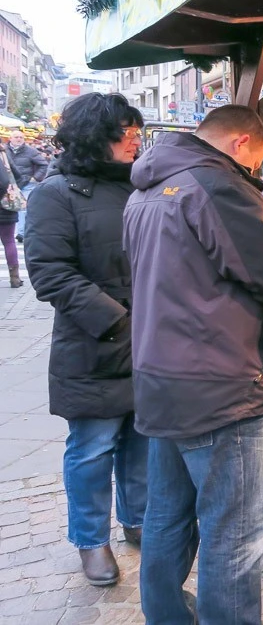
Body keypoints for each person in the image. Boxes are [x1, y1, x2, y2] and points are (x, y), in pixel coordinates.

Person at [123, 105, 263, 624]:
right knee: (235, 536)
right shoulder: (215, 188)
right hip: (223, 389)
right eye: (259, 156)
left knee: (166, 517)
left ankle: (165, 617)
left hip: (163, 378)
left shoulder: (146, 187)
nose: (256, 168)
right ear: (242, 143)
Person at [23, 93, 147, 586]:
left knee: (141, 440)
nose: (135, 138)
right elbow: (50, 272)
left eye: (136, 130)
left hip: (149, 341)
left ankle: (136, 519)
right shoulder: (56, 193)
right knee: (93, 446)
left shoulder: (141, 186)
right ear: (95, 137)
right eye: (125, 131)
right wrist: (118, 320)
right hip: (94, 345)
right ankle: (90, 540)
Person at [6, 130, 50, 242]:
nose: (19, 139)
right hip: (8, 184)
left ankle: (21, 233)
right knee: (6, 208)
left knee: (23, 208)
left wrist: (35, 178)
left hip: (26, 183)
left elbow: (43, 164)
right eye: (16, 137)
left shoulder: (31, 151)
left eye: (21, 137)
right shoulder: (4, 151)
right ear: (10, 138)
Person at [0, 151, 22, 287]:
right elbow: (18, 176)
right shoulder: (4, 155)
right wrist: (11, 190)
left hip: (3, 204)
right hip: (8, 203)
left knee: (8, 241)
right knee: (9, 241)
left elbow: (3, 182)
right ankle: (15, 278)